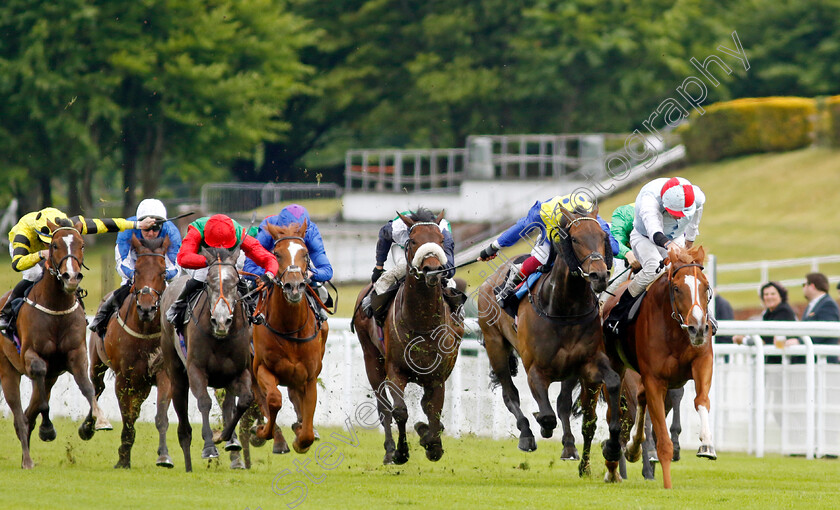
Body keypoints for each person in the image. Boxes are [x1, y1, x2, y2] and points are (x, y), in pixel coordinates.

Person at [0, 207, 157, 331]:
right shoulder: (23, 233)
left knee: (67, 270)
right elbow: (17, 264)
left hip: (59, 245)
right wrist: (41, 253)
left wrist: (138, 224)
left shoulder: (71, 224)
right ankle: (6, 312)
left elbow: (106, 224)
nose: (47, 245)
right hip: (28, 251)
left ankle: (78, 310)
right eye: (45, 242)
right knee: (34, 274)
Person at [478, 193, 619, 313]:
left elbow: (612, 244)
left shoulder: (592, 216)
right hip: (551, 237)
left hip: (582, 236)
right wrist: (492, 248)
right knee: (543, 258)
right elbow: (520, 229)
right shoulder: (543, 212)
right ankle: (511, 283)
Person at [604, 177, 706, 337]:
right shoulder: (649, 201)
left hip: (675, 236)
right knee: (653, 269)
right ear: (664, 205)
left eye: (682, 213)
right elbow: (655, 233)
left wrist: (688, 244)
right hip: (644, 236)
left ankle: (704, 316)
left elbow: (694, 221)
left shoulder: (697, 197)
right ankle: (617, 314)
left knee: (688, 273)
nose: (680, 217)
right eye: (675, 214)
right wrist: (668, 245)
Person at [165, 214, 279, 333]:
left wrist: (269, 274)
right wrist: (208, 261)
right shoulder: (197, 229)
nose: (220, 248)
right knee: (202, 276)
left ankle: (251, 308)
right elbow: (183, 258)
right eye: (216, 245)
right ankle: (178, 307)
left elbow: (267, 258)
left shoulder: (239, 232)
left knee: (234, 277)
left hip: (228, 260)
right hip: (203, 259)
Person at [88, 199, 182, 338]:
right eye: (146, 228)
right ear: (139, 224)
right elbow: (121, 262)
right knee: (125, 288)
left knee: (173, 296)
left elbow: (176, 268)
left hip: (160, 272)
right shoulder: (127, 229)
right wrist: (138, 275)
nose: (151, 233)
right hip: (135, 269)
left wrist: (157, 276)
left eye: (155, 228)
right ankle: (101, 319)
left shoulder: (172, 233)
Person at [362, 208, 461, 324]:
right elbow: (383, 237)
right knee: (403, 267)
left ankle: (458, 311)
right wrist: (379, 267)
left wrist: (441, 271)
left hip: (433, 253)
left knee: (449, 281)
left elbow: (450, 269)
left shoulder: (443, 230)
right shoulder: (397, 227)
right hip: (403, 248)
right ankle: (376, 294)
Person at [243, 204, 333, 320]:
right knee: (251, 287)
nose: (292, 234)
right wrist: (271, 273)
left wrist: (311, 273)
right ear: (280, 229)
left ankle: (319, 315)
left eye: (297, 233)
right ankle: (248, 317)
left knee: (317, 287)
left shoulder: (310, 232)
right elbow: (248, 268)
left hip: (299, 267)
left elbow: (327, 270)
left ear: (304, 230)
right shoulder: (267, 230)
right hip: (272, 267)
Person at [734, 281, 798, 364]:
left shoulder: (784, 311)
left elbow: (766, 339)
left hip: (785, 362)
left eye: (773, 294)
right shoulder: (769, 313)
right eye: (766, 294)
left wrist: (744, 340)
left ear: (781, 296)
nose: (769, 297)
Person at [801, 273, 840, 362]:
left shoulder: (828, 304)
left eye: (804, 285)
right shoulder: (813, 305)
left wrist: (799, 341)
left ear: (812, 286)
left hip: (824, 361)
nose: (803, 288)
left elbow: (826, 331)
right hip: (814, 359)